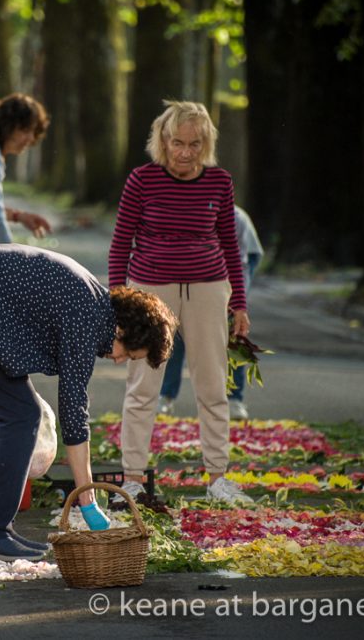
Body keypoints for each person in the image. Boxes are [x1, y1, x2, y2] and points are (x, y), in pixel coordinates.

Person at [0, 245, 175, 561]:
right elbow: (73, 410)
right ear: (123, 330)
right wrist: (87, 499)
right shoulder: (87, 315)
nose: (118, 360)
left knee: (9, 414)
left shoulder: (92, 305)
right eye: (128, 354)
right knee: (23, 414)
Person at [107, 100, 253, 507]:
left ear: (205, 143)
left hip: (208, 288)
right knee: (143, 386)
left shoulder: (219, 182)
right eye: (177, 143)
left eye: (194, 144)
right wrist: (119, 303)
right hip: (150, 289)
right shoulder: (141, 180)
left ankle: (219, 478)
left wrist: (239, 304)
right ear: (163, 141)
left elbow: (229, 244)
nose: (185, 152)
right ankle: (133, 479)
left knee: (212, 385)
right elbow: (121, 244)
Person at [159, 205, 264, 419]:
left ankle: (235, 399)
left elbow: (244, 263)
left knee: (231, 333)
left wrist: (234, 300)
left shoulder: (235, 219)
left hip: (238, 266)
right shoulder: (179, 215)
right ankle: (165, 396)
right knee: (176, 331)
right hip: (192, 275)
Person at [0, 93, 53, 242]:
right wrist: (12, 256)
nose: (31, 139)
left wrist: (18, 216)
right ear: (7, 126)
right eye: (25, 130)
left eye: (33, 132)